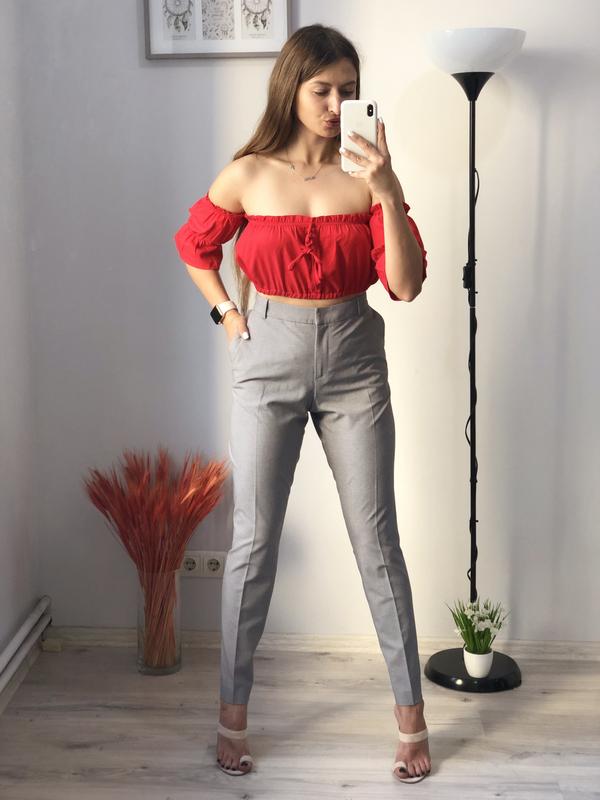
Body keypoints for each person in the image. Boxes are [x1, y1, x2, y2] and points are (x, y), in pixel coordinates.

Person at [173, 23, 431, 784]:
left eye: (349, 91)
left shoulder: (367, 179)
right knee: (252, 542)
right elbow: (193, 246)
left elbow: (406, 285)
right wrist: (229, 315)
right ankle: (232, 716)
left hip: (354, 358)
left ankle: (412, 719)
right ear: (291, 88)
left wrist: (387, 189)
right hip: (269, 358)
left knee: (377, 541)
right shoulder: (249, 174)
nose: (335, 103)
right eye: (322, 89)